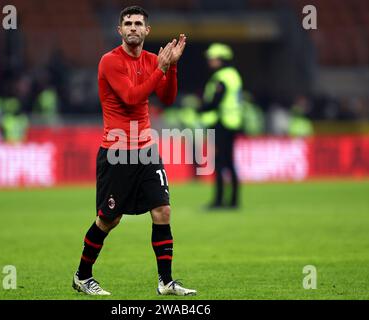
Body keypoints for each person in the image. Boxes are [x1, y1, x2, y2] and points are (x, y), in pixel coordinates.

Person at [72, 6, 196, 296]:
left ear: (147, 30)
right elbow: (131, 97)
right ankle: (82, 276)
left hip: (145, 150)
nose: (132, 27)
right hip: (116, 153)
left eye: (138, 23)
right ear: (120, 30)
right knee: (108, 220)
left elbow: (166, 97)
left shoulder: (154, 60)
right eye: (127, 23)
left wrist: (172, 66)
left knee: (163, 211)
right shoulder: (110, 61)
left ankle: (165, 282)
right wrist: (161, 70)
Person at [199, 43, 243, 210]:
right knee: (229, 163)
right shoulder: (233, 75)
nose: (210, 61)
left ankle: (219, 201)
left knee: (219, 163)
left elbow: (216, 101)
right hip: (232, 122)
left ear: (221, 59)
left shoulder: (222, 77)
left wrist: (201, 108)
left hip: (222, 123)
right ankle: (233, 201)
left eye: (213, 58)